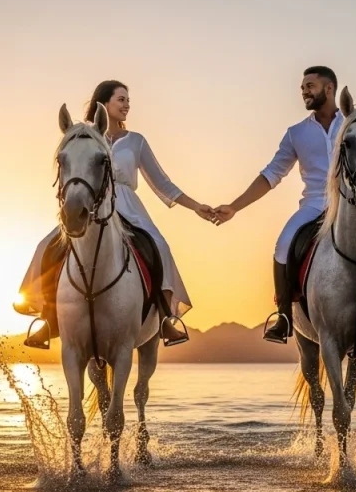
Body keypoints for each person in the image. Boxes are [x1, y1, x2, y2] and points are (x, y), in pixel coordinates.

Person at [211, 66, 356, 344]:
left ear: (329, 89)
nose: (304, 91)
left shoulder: (354, 124)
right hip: (314, 204)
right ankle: (283, 316)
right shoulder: (296, 133)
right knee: (283, 245)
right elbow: (271, 174)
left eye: (310, 86)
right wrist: (234, 206)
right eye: (303, 87)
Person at [17, 80, 214, 349]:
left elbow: (162, 183)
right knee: (46, 245)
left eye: (128, 100)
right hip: (92, 205)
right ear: (103, 104)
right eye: (121, 99)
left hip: (128, 206)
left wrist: (196, 206)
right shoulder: (82, 137)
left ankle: (166, 317)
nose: (127, 105)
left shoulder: (136, 142)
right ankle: (48, 317)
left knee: (160, 247)